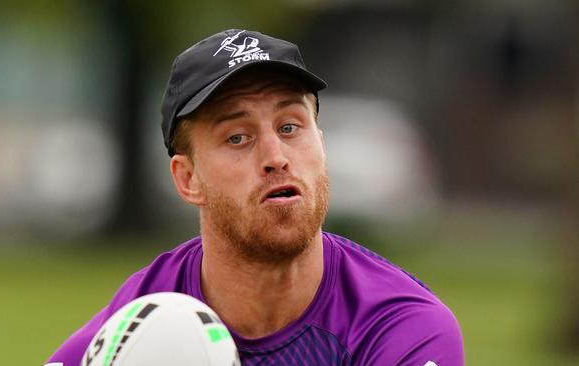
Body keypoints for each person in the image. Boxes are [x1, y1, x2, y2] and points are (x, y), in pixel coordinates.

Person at [46, 29, 464, 366]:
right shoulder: (146, 318)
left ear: (320, 142)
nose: (276, 158)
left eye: (289, 127)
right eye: (238, 137)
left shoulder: (399, 327)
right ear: (188, 178)